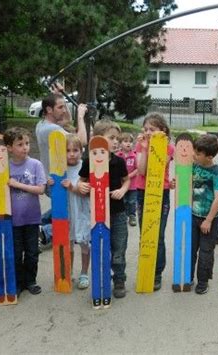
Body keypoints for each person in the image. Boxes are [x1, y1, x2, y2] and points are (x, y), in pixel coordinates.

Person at [78, 120, 130, 301]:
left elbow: (126, 180)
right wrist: (81, 186)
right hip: (98, 215)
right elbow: (81, 180)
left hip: (118, 213)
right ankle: (103, 279)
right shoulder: (89, 161)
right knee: (102, 248)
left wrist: (123, 191)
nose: (116, 142)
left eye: (117, 138)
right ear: (99, 139)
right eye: (111, 138)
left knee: (119, 249)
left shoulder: (119, 161)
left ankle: (120, 280)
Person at [35, 86, 87, 247]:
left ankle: (39, 223)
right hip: (55, 179)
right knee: (68, 212)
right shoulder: (52, 129)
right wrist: (81, 116)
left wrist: (58, 97)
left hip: (53, 177)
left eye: (64, 106)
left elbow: (66, 121)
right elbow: (81, 141)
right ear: (49, 110)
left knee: (66, 204)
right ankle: (46, 231)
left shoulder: (42, 124)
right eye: (60, 107)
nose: (64, 110)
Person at [3, 127, 46, 295]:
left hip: (32, 218)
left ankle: (31, 281)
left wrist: (17, 184)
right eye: (20, 144)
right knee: (15, 253)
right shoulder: (5, 168)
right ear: (9, 148)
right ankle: (19, 283)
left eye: (27, 143)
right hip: (12, 220)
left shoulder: (36, 165)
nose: (25, 147)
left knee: (32, 252)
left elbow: (40, 189)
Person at [136, 112, 175, 291]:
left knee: (157, 235)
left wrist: (154, 145)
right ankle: (146, 268)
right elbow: (142, 170)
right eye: (145, 129)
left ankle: (157, 273)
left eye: (152, 129)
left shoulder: (168, 147)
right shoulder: (140, 145)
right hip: (142, 192)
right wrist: (144, 148)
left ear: (163, 130)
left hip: (161, 192)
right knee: (145, 233)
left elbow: (157, 167)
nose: (148, 132)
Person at [49, 134, 91, 289]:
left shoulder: (84, 167)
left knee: (84, 242)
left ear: (82, 151)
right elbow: (54, 191)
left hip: (81, 211)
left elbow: (88, 191)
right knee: (68, 242)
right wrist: (50, 183)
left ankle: (84, 273)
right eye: (68, 150)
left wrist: (73, 187)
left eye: (75, 150)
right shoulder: (59, 168)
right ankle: (68, 271)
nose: (71, 154)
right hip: (66, 212)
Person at [191, 134, 218, 294]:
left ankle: (203, 281)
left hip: (208, 220)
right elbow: (187, 183)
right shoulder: (194, 166)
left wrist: (209, 220)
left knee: (205, 251)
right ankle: (187, 277)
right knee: (190, 249)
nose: (194, 155)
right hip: (192, 216)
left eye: (198, 154)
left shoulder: (217, 171)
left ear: (209, 156)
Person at [116, 132, 138, 227]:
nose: (128, 143)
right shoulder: (117, 155)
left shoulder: (134, 156)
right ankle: (124, 216)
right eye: (125, 141)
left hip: (133, 184)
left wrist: (129, 176)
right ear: (120, 143)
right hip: (121, 184)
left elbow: (137, 169)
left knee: (132, 201)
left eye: (130, 142)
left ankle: (132, 216)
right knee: (123, 200)